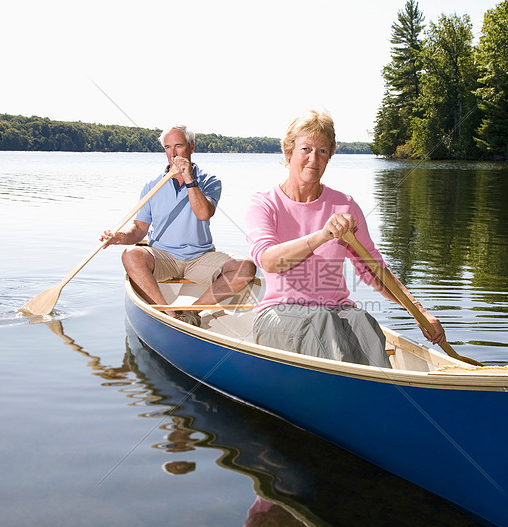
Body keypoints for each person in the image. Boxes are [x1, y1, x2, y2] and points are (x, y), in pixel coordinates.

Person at [245, 110, 446, 367]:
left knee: (363, 322)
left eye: (323, 151)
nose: (313, 159)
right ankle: (342, 394)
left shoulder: (344, 205)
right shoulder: (264, 204)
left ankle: (387, 394)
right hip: (278, 316)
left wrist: (418, 311)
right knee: (320, 322)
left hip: (334, 313)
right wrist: (321, 236)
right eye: (305, 148)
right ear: (289, 151)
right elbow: (268, 260)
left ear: (330, 156)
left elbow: (373, 269)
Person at [101, 125, 256, 326]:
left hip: (200, 257)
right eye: (167, 147)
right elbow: (139, 230)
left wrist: (189, 178)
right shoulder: (152, 186)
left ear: (191, 147)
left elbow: (203, 213)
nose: (173, 154)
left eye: (178, 146)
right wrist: (119, 237)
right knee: (131, 255)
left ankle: (193, 312)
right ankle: (169, 314)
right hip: (163, 257)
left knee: (245, 266)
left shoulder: (209, 181)